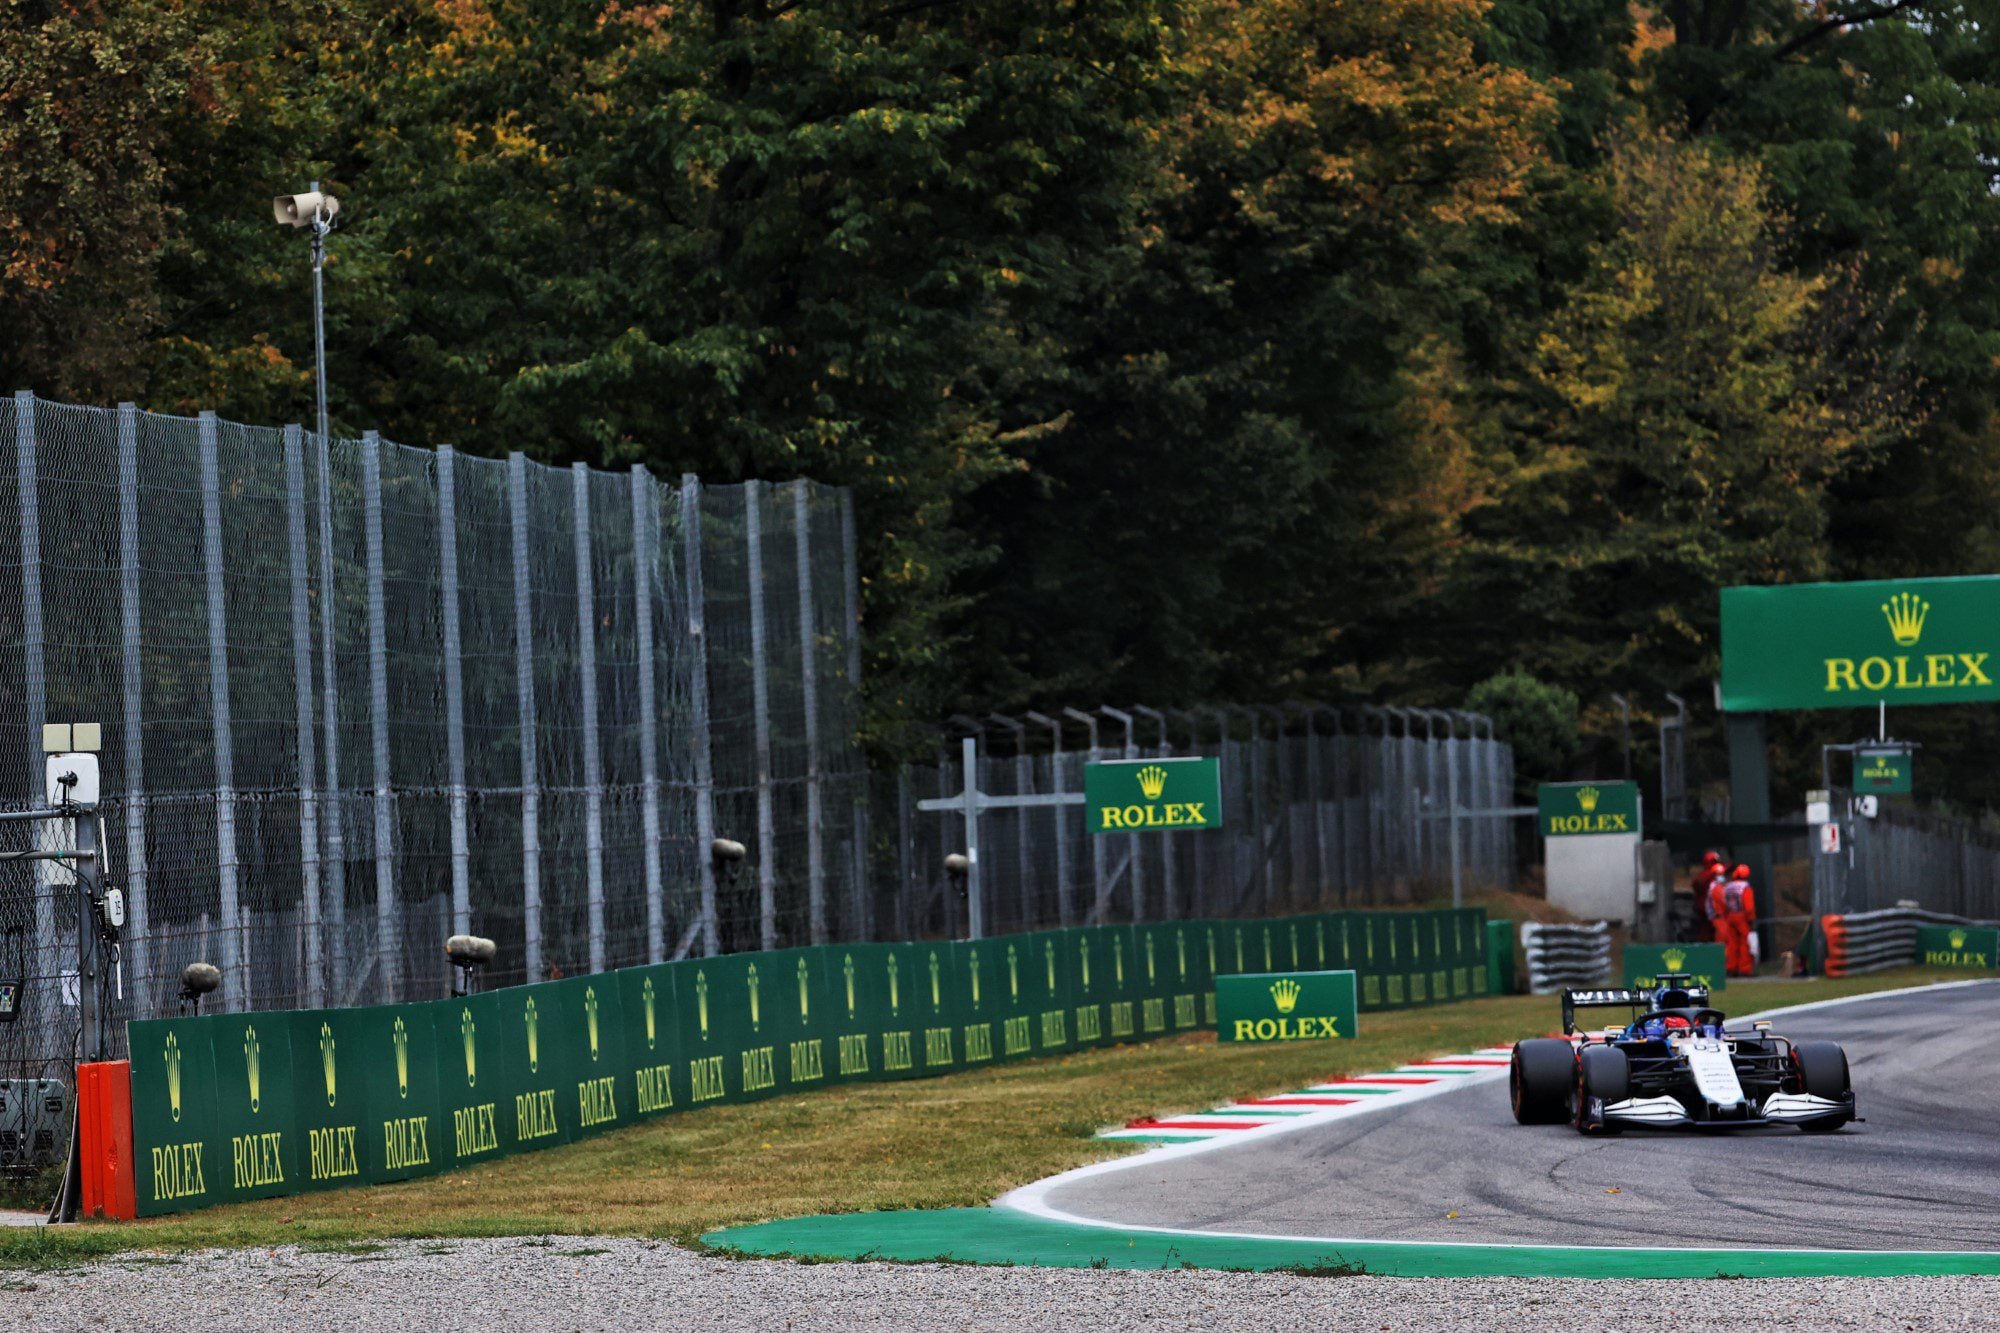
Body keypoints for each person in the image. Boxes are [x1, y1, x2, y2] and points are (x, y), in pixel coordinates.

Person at [1709, 863, 1758, 977]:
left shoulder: (1728, 886)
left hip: (1730, 916)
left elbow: (1724, 903)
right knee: (1745, 943)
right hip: (1742, 917)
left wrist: (1727, 916)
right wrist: (1751, 920)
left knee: (1732, 943)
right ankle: (1745, 969)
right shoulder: (1745, 887)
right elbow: (1749, 907)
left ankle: (1731, 967)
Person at [1692, 851, 1725, 941]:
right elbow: (1720, 885)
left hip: (1702, 906)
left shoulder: (1703, 874)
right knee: (1714, 931)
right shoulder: (1715, 871)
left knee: (1705, 930)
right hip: (1711, 907)